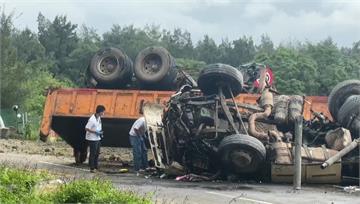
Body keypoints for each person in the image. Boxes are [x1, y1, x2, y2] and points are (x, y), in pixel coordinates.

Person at [85, 105, 105, 173]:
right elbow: (87, 128)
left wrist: (100, 132)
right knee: (93, 153)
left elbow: (98, 126)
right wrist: (95, 132)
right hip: (92, 138)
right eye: (103, 112)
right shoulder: (92, 120)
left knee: (97, 153)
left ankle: (96, 167)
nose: (103, 113)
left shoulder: (99, 118)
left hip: (97, 138)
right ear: (99, 112)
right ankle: (92, 168)